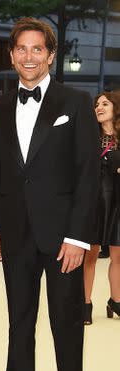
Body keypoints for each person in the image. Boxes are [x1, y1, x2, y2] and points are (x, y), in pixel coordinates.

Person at [0, 17, 100, 371]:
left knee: (66, 326)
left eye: (37, 49)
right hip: (14, 233)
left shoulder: (77, 101)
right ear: (11, 55)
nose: (29, 57)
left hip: (63, 237)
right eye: (21, 49)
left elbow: (88, 176)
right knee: (19, 323)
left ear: (51, 55)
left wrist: (78, 238)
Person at [83, 91, 120, 324]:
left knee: (118, 255)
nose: (99, 107)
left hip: (118, 202)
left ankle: (115, 301)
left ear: (116, 108)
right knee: (90, 255)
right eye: (97, 104)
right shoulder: (88, 137)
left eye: (105, 103)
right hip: (94, 202)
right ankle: (84, 304)